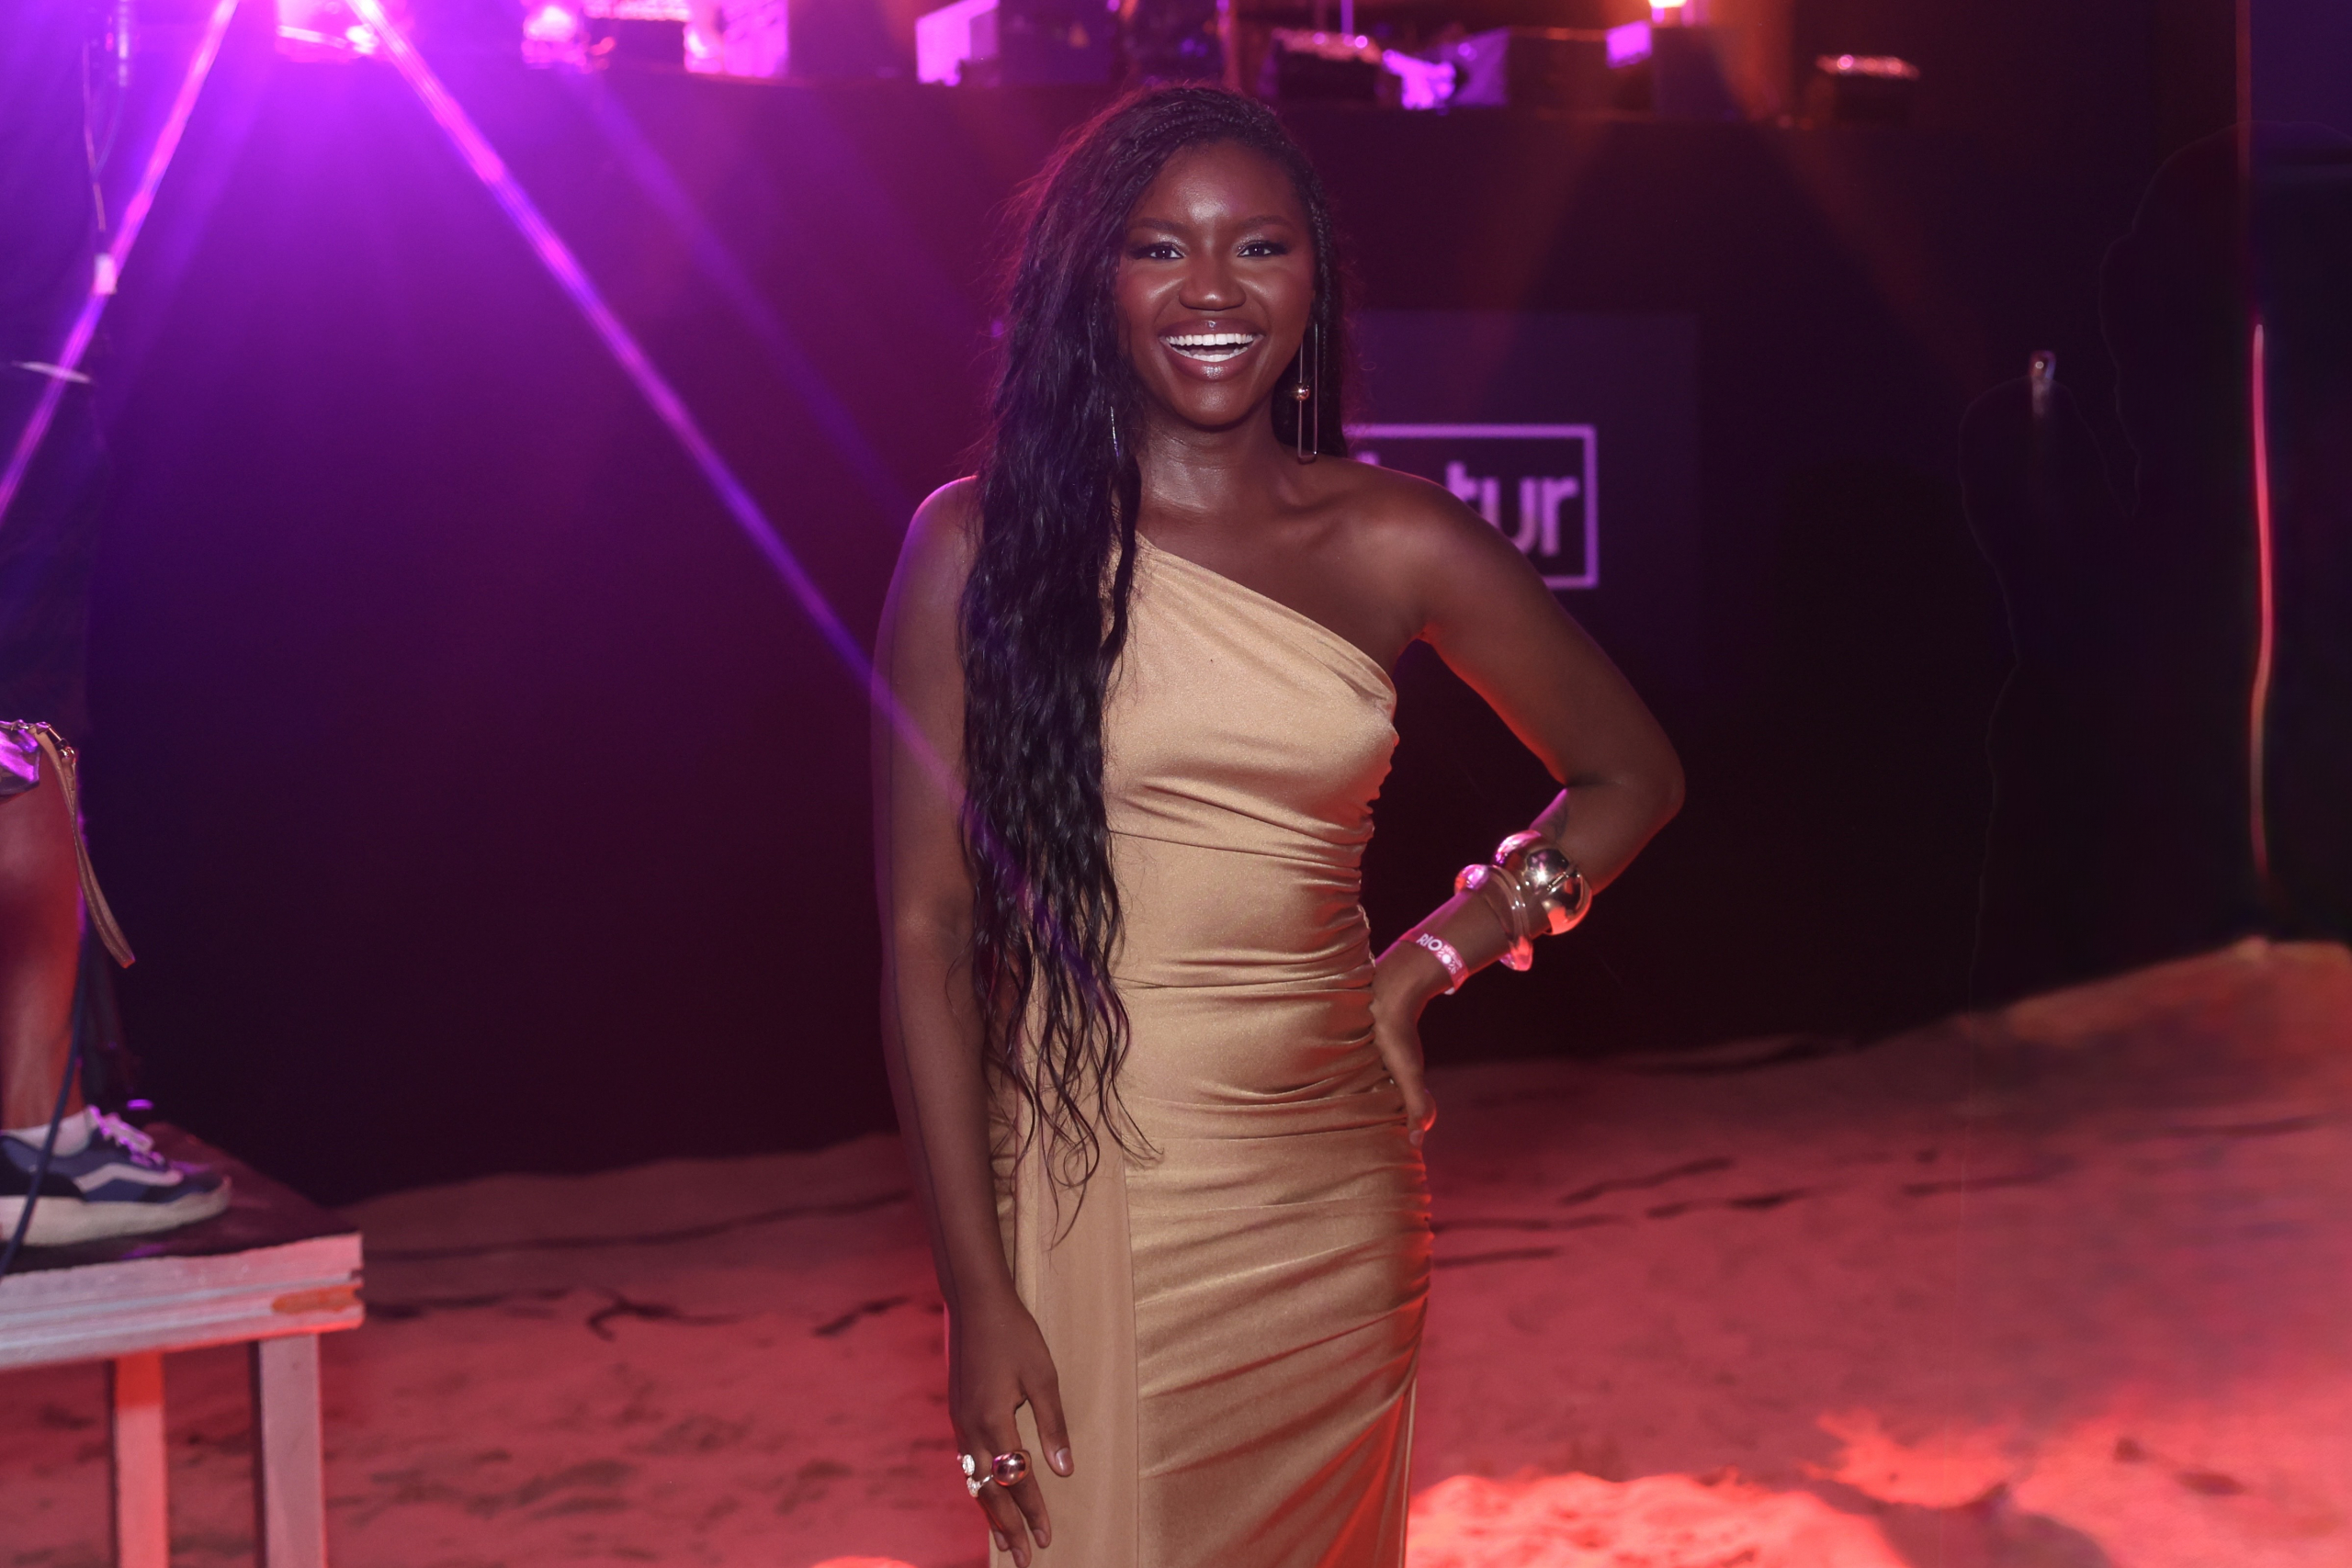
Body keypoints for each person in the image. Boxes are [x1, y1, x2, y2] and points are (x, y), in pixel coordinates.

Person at [873, 86, 1682, 1567]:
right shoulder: (978, 547)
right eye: (1157, 248)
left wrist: (1428, 964)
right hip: (1083, 1181)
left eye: (1258, 247)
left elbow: (1631, 775)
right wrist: (973, 1296)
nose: (1212, 291)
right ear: (1093, 281)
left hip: (1329, 1214)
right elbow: (928, 937)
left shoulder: (1394, 538)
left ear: (1314, 279)